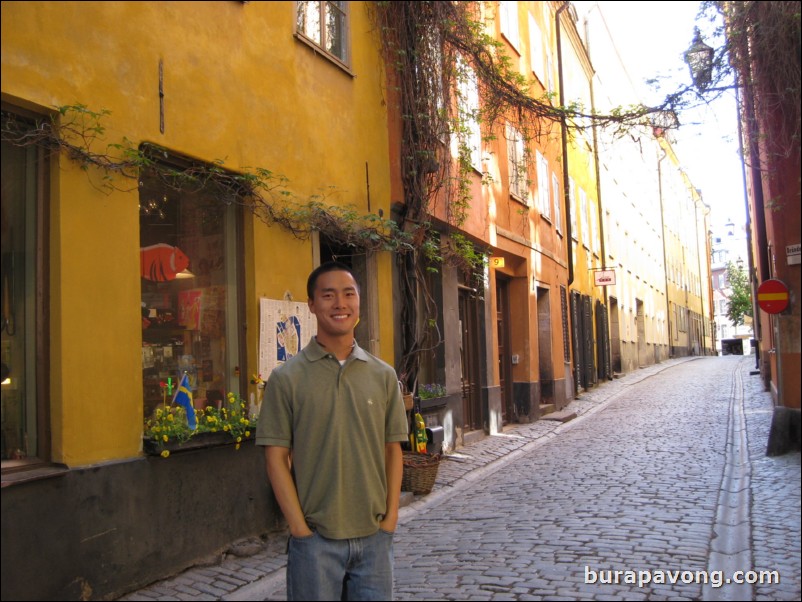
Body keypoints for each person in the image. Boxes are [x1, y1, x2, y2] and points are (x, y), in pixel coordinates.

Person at [256, 261, 408, 601]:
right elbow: (276, 458)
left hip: (374, 540)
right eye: (328, 295)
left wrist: (390, 521)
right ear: (311, 304)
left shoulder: (383, 376)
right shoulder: (287, 379)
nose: (340, 303)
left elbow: (392, 450)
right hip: (316, 543)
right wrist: (300, 530)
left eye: (348, 294)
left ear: (358, 302)